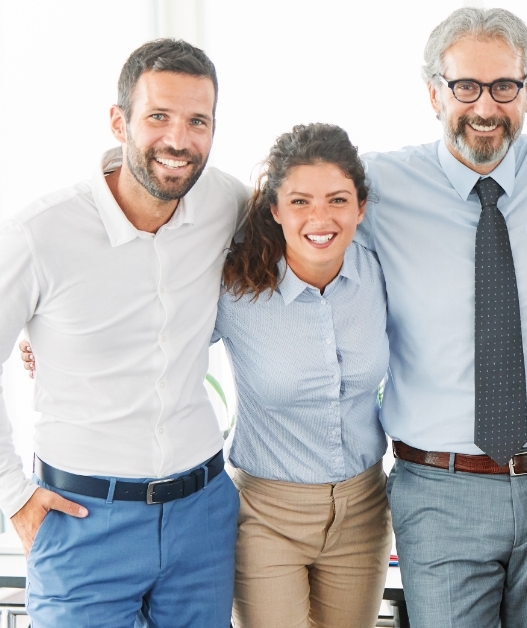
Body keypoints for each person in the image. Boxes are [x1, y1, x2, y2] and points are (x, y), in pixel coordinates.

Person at [0, 39, 247, 627]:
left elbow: (303, 227)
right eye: (158, 117)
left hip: (203, 517)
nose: (179, 140)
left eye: (198, 121)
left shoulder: (226, 202)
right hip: (83, 521)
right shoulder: (37, 235)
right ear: (119, 121)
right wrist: (12, 495)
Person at [359, 8, 527, 626]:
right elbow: (285, 209)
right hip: (439, 490)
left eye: (505, 87)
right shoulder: (378, 185)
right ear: (432, 92)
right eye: (465, 87)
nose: (486, 106)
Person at [216, 124, 391, 627]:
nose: (320, 218)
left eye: (337, 199)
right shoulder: (235, 288)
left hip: (363, 508)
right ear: (275, 210)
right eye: (300, 201)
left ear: (361, 207)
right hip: (267, 515)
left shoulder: (380, 274)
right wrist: (52, 345)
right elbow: (158, 337)